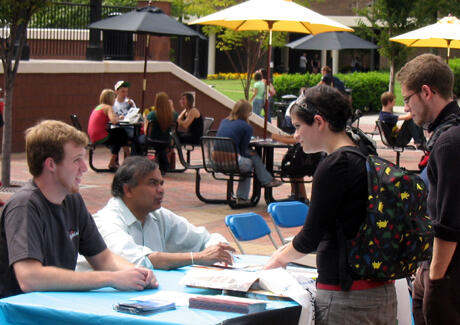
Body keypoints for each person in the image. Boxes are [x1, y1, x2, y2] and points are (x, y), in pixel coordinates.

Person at [264, 84, 397, 324]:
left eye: (297, 127)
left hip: (347, 297)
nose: (295, 136)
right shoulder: (363, 154)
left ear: (318, 122)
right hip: (380, 291)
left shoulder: (335, 166)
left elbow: (309, 237)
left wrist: (274, 262)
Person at [0, 120, 158, 299]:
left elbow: (103, 258)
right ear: (51, 164)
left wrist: (136, 273)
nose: (84, 168)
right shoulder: (24, 206)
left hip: (55, 308)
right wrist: (110, 278)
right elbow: (29, 278)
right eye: (76, 160)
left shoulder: (72, 200)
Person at [77, 156, 235, 271]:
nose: (161, 190)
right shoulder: (107, 221)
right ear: (128, 190)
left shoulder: (159, 215)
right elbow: (137, 261)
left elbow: (204, 238)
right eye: (152, 183)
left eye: (161, 183)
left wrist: (219, 249)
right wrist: (197, 257)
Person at [396, 53, 460, 325]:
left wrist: (435, 280)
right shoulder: (447, 136)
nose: (407, 108)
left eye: (408, 99)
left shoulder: (449, 142)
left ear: (426, 92)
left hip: (447, 274)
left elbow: (448, 222)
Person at [216, 100, 282, 203]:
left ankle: (266, 180)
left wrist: (250, 153)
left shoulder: (224, 121)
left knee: (252, 154)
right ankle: (260, 185)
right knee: (250, 161)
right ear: (247, 113)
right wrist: (250, 153)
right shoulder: (246, 127)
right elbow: (242, 151)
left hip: (215, 161)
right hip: (233, 162)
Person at [88, 89, 129, 170]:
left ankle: (124, 156)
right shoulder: (108, 107)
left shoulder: (99, 107)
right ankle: (124, 157)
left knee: (119, 133)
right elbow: (114, 121)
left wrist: (116, 117)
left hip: (93, 135)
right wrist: (117, 118)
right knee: (121, 134)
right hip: (100, 136)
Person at [145, 92, 179, 174]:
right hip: (166, 141)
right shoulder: (173, 115)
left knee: (137, 141)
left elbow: (146, 130)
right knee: (161, 149)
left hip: (152, 140)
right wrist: (171, 107)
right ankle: (164, 166)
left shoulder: (152, 115)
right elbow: (177, 119)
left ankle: (143, 164)